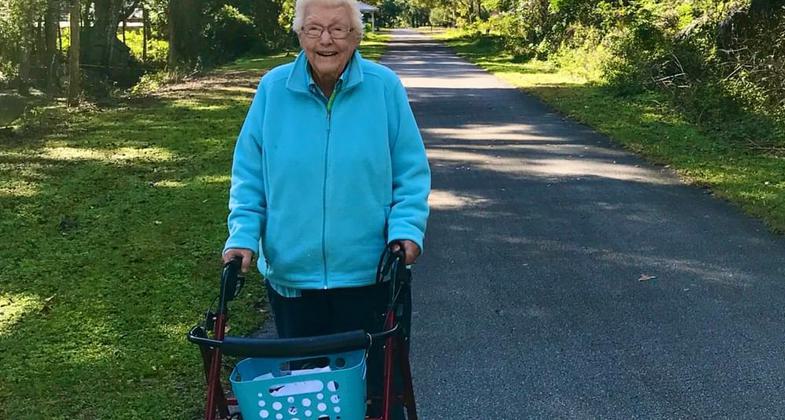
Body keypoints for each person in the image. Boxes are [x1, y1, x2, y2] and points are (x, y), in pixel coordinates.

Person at [221, 0, 430, 416]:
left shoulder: (384, 88)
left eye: (338, 29)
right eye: (314, 29)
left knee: (375, 396)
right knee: (306, 399)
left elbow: (410, 171)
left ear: (356, 35)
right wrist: (242, 235)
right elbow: (249, 174)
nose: (326, 40)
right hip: (293, 280)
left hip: (368, 275)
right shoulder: (273, 89)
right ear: (299, 34)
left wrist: (406, 229)